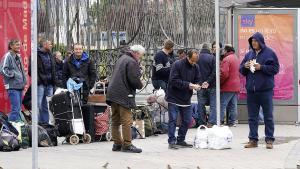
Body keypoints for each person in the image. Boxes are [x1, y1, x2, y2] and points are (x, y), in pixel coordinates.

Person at [240, 32, 279, 149]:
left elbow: (275, 69)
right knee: (252, 117)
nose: (253, 43)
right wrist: (245, 66)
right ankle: (253, 140)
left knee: (268, 116)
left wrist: (261, 67)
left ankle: (269, 140)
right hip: (251, 91)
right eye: (252, 41)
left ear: (261, 42)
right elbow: (241, 70)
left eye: (256, 41)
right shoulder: (248, 54)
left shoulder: (270, 53)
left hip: (265, 90)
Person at [106, 45, 145, 153]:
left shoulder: (122, 58)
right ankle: (127, 144)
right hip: (123, 94)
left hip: (113, 93)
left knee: (115, 120)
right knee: (126, 120)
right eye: (140, 56)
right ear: (136, 53)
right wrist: (140, 84)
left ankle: (117, 144)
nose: (140, 58)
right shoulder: (131, 61)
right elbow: (134, 80)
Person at [166, 49, 202, 149]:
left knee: (187, 120)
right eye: (192, 61)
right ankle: (172, 141)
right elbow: (173, 80)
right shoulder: (177, 65)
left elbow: (198, 79)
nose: (193, 63)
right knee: (173, 119)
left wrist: (198, 85)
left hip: (186, 97)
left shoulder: (196, 66)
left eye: (195, 61)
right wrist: (189, 85)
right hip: (174, 96)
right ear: (187, 57)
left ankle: (181, 139)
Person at [0, 39, 27, 122]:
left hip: (19, 86)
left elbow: (21, 71)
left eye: (19, 45)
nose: (19, 46)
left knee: (18, 109)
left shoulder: (18, 56)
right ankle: (10, 129)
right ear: (11, 46)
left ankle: (17, 128)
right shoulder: (7, 56)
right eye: (16, 45)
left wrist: (23, 81)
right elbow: (3, 70)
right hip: (12, 86)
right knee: (15, 109)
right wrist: (13, 75)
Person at [220, 44, 240, 127]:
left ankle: (219, 121)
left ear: (226, 50)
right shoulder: (236, 58)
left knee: (222, 104)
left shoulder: (226, 59)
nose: (222, 51)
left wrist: (220, 83)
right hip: (236, 85)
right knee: (233, 105)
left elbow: (224, 74)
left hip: (228, 86)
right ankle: (232, 121)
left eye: (223, 50)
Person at [196, 43, 216, 127]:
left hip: (199, 85)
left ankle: (202, 123)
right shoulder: (212, 58)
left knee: (201, 104)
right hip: (211, 85)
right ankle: (211, 123)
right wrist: (208, 81)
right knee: (213, 104)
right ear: (209, 49)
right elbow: (215, 72)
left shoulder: (197, 57)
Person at [37, 39, 57, 123]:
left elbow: (53, 68)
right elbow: (32, 70)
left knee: (47, 104)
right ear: (44, 45)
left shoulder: (50, 55)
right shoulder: (36, 55)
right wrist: (40, 80)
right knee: (39, 104)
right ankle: (37, 122)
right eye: (50, 44)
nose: (51, 46)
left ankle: (45, 122)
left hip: (50, 84)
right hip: (41, 83)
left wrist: (54, 81)